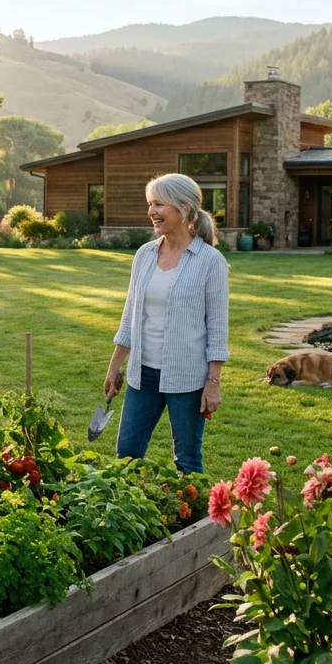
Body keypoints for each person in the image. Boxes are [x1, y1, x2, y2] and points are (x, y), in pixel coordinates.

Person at [104, 173, 229, 473]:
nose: (151, 212)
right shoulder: (144, 255)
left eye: (159, 204)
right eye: (150, 204)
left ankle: (196, 520)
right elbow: (130, 315)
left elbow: (218, 329)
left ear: (184, 209)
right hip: (142, 373)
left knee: (187, 460)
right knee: (127, 455)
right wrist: (114, 366)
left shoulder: (210, 261)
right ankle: (132, 516)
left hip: (187, 377)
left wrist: (213, 383)